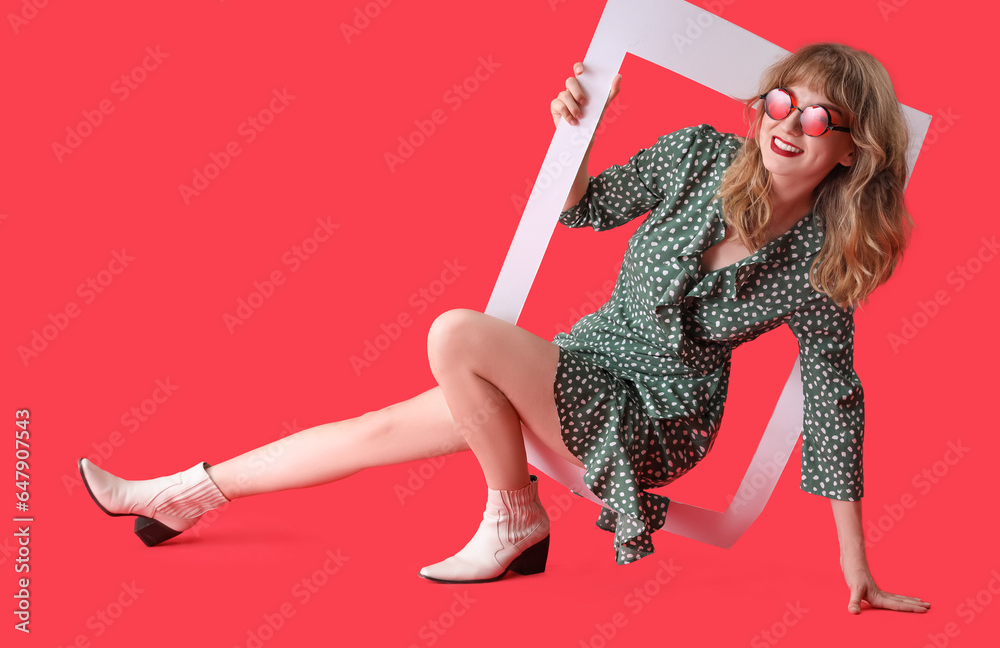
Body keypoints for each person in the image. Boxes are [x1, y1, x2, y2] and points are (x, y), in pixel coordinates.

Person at [78, 41, 930, 614]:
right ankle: (178, 496)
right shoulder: (700, 155)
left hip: (659, 420)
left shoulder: (824, 262)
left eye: (818, 118)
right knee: (379, 427)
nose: (788, 123)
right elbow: (585, 205)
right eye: (781, 101)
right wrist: (576, 132)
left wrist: (858, 566)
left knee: (458, 334)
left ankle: (513, 515)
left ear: (851, 151)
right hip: (585, 360)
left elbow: (834, 401)